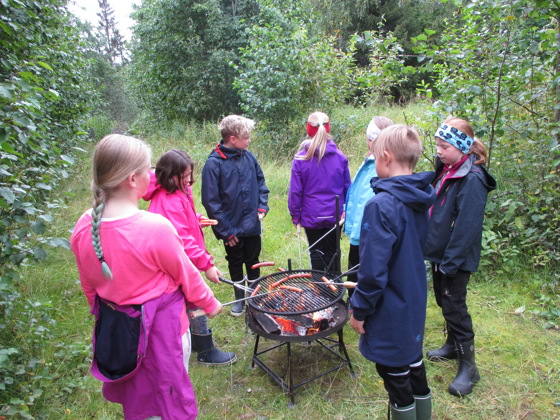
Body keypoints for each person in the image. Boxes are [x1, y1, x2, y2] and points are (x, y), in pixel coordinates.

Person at [70, 134, 222, 420]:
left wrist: (102, 312)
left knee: (137, 391)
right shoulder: (155, 227)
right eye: (147, 169)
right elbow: (187, 275)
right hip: (164, 330)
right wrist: (211, 304)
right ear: (132, 179)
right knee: (168, 388)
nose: (152, 174)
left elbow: (89, 283)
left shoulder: (84, 225)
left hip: (118, 327)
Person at [349, 125, 435, 420]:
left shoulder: (381, 204)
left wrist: (359, 310)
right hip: (413, 296)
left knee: (395, 373)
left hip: (391, 304)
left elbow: (373, 272)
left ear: (385, 158)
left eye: (373, 158)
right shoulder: (421, 195)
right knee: (412, 362)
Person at [423, 117, 496, 397]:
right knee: (444, 300)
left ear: (461, 146)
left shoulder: (472, 178)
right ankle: (452, 346)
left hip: (455, 257)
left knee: (455, 305)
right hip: (440, 254)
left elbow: (467, 228)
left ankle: (469, 367)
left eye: (444, 146)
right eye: (437, 145)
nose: (438, 151)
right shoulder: (447, 169)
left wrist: (450, 263)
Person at [143, 149, 236, 366]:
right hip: (177, 259)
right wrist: (207, 264)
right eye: (183, 176)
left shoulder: (177, 192)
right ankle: (205, 350)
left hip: (176, 257)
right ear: (168, 174)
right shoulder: (168, 199)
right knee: (195, 298)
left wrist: (197, 219)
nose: (188, 180)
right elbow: (183, 240)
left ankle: (194, 342)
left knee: (188, 300)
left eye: (189, 175)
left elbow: (183, 219)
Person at [201, 115, 269, 317]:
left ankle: (255, 298)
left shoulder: (248, 157)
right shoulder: (214, 164)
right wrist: (226, 232)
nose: (249, 140)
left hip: (252, 224)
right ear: (232, 138)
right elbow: (211, 201)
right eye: (246, 137)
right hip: (231, 227)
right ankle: (240, 298)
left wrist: (261, 208)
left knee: (253, 260)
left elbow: (261, 184)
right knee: (235, 261)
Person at [288, 111, 351, 275]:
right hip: (334, 214)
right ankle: (335, 289)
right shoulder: (340, 157)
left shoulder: (301, 159)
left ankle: (319, 291)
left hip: (311, 214)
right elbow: (347, 187)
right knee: (333, 252)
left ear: (308, 129)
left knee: (315, 252)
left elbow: (296, 191)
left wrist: (295, 215)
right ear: (328, 128)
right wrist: (345, 210)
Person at [344, 116, 394, 295]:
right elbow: (356, 193)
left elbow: (366, 201)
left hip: (364, 231)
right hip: (360, 228)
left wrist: (356, 231)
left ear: (371, 140)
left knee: (358, 271)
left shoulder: (378, 166)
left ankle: (357, 306)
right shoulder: (371, 160)